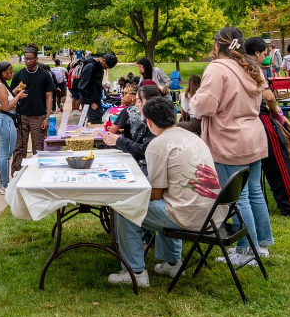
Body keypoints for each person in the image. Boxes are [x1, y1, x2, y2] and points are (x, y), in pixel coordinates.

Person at [108, 96, 223, 287]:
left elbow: (156, 194)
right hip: (212, 212)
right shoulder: (193, 136)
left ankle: (135, 272)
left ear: (149, 121)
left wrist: (132, 193)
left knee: (124, 209)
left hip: (187, 215)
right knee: (166, 202)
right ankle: (172, 263)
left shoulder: (157, 144)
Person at [189, 26, 273, 265]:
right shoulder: (250, 67)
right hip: (253, 134)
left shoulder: (218, 69)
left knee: (240, 197)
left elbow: (204, 106)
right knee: (254, 192)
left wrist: (193, 99)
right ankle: (262, 243)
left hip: (229, 138)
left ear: (218, 44)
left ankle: (248, 251)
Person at [244, 37, 290, 217]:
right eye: (264, 54)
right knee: (279, 164)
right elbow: (270, 97)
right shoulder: (253, 68)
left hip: (242, 121)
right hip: (262, 119)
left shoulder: (236, 67)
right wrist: (276, 111)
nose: (266, 57)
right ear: (256, 52)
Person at [8, 46, 55, 176]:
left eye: (30, 59)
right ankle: (16, 174)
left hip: (39, 116)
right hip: (21, 116)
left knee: (38, 147)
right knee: (19, 148)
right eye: (25, 59)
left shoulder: (44, 75)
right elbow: (11, 96)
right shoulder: (18, 75)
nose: (27, 61)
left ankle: (38, 175)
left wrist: (47, 117)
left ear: (36, 58)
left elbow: (49, 97)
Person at [102, 84, 160, 174]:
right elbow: (137, 144)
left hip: (149, 169)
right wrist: (115, 142)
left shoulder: (156, 123)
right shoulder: (145, 122)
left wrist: (118, 141)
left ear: (151, 102)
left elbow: (145, 150)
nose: (136, 105)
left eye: (139, 101)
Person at [0, 61, 26, 194]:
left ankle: (2, 183)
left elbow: (3, 98)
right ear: (3, 73)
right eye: (10, 72)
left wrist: (14, 91)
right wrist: (18, 96)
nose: (12, 74)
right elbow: (6, 106)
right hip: (5, 119)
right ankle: (4, 185)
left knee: (1, 155)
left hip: (0, 119)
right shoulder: (0, 86)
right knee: (5, 155)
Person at [78, 53, 118, 124]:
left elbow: (94, 82)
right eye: (106, 66)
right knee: (95, 121)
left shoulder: (99, 68)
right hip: (89, 100)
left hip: (96, 98)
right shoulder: (90, 67)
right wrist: (91, 103)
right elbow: (82, 87)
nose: (105, 68)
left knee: (99, 117)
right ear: (103, 60)